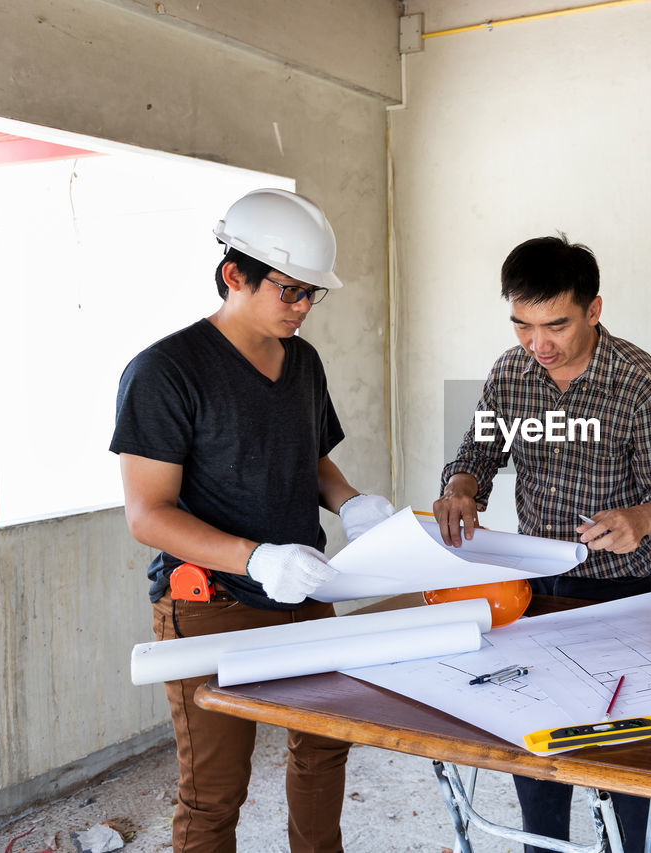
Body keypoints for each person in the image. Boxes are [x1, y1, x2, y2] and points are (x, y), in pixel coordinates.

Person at [110, 188, 395, 853]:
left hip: (306, 590)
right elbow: (147, 514)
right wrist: (256, 557)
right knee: (214, 793)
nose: (301, 308)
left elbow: (310, 456)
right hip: (214, 603)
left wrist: (350, 500)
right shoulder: (165, 372)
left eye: (310, 295)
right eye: (289, 291)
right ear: (234, 274)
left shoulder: (304, 361)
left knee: (324, 754)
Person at [433, 234, 651, 853]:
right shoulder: (510, 371)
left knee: (625, 763)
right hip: (532, 590)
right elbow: (479, 453)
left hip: (619, 595)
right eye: (523, 326)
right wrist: (462, 488)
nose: (539, 345)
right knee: (540, 752)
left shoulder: (639, 384)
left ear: (594, 310)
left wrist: (641, 519)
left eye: (555, 325)